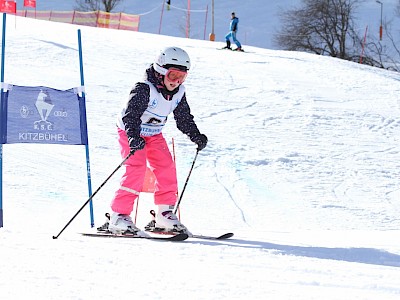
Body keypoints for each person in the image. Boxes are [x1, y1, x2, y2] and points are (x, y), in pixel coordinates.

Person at [107, 46, 208, 235]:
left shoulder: (178, 93)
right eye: (173, 75)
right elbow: (131, 116)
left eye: (182, 77)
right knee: (136, 168)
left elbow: (183, 118)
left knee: (166, 167)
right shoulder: (144, 89)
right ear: (161, 71)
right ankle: (119, 216)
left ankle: (164, 213)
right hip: (131, 131)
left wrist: (196, 135)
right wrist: (133, 137)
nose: (176, 81)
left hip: (153, 134)